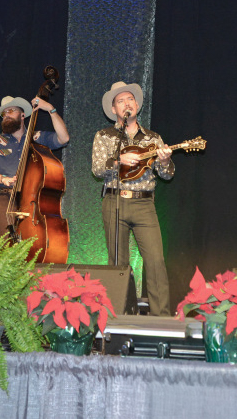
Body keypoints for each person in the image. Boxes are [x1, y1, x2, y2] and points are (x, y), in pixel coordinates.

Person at [92, 81, 173, 316]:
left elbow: (167, 175)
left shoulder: (153, 138)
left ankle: (162, 318)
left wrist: (166, 161)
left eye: (130, 99)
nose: (126, 103)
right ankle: (118, 315)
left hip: (144, 204)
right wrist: (119, 161)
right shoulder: (104, 136)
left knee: (155, 261)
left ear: (136, 105)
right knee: (118, 263)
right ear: (114, 109)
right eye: (120, 101)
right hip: (114, 202)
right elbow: (97, 169)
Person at [0, 95, 69, 236]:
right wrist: (3, 179)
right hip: (6, 198)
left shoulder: (37, 137)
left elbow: (63, 138)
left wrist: (51, 110)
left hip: (34, 199)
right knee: (7, 242)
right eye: (4, 113)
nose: (6, 115)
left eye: (11, 111)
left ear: (22, 115)